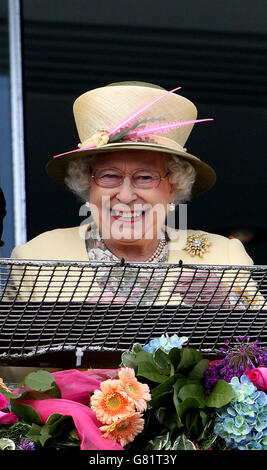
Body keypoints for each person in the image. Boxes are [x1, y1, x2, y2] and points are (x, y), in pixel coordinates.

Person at [6, 82, 263, 308]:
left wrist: (227, 310)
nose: (126, 195)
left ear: (173, 187)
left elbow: (262, 354)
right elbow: (8, 361)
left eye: (145, 177)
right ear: (88, 184)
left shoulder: (223, 258)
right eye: (109, 176)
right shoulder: (36, 259)